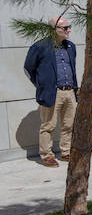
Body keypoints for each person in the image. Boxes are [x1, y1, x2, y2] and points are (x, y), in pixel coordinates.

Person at [23, 16, 78, 167]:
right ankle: (46, 155)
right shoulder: (40, 47)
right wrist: (42, 85)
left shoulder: (71, 46)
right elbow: (28, 69)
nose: (69, 30)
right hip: (52, 93)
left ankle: (66, 152)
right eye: (65, 28)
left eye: (69, 27)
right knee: (48, 126)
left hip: (70, 92)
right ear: (53, 29)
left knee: (69, 124)